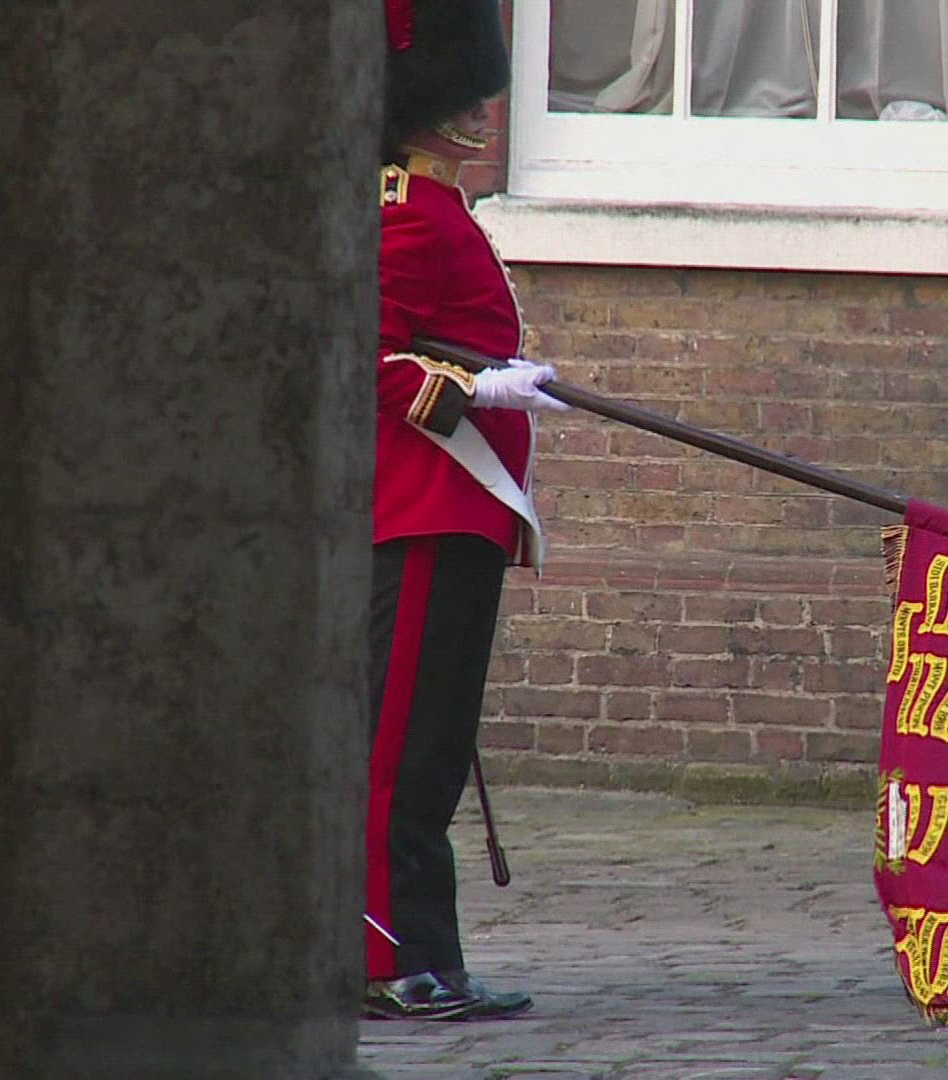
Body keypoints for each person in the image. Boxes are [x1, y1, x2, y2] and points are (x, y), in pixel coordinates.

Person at [364, 0, 569, 1021]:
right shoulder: (404, 210)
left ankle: (423, 955)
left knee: (431, 753)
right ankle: (387, 959)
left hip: (456, 514)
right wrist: (474, 389)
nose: (482, 113)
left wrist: (492, 377)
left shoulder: (437, 205)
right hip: (423, 511)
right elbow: (367, 353)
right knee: (400, 756)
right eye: (464, 97)